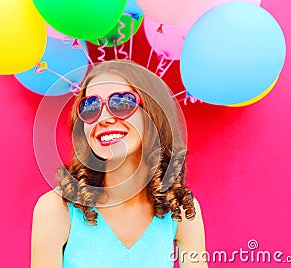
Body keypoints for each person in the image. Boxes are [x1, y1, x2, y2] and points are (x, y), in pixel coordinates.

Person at [31, 60, 208, 267]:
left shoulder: (179, 211)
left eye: (121, 103)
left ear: (154, 114)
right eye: (91, 107)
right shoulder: (56, 209)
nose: (103, 118)